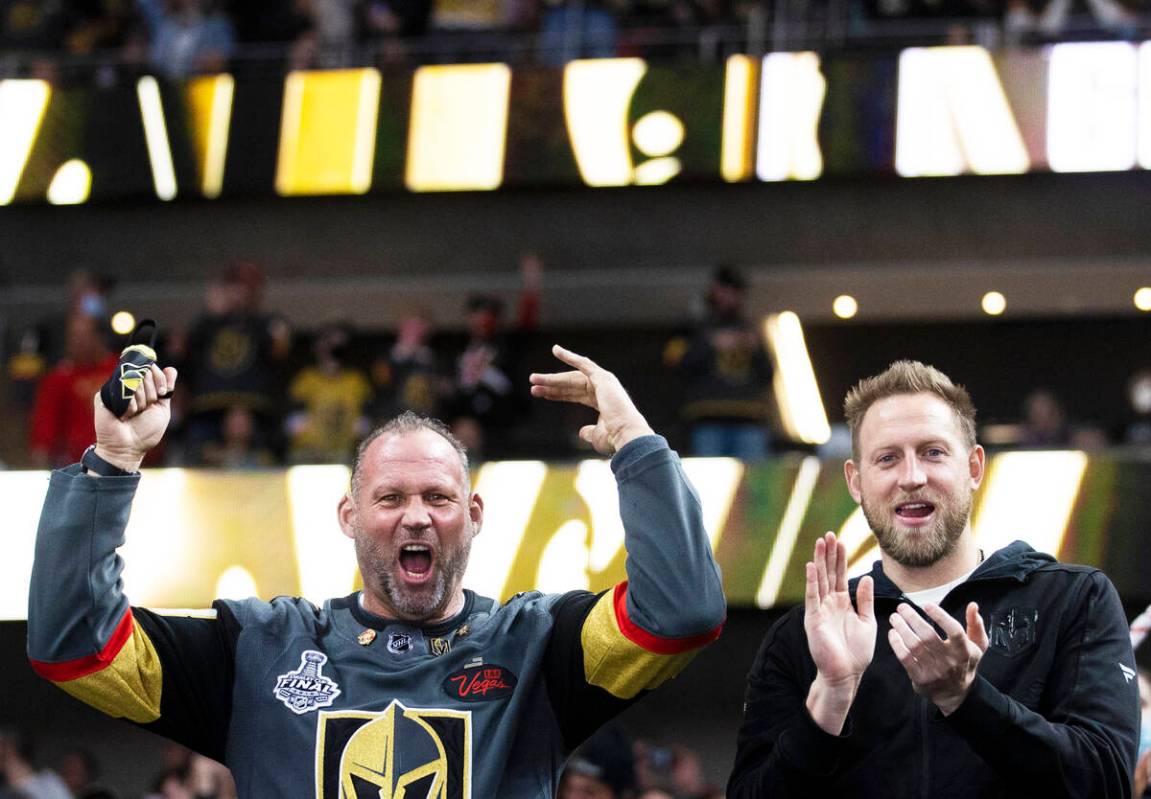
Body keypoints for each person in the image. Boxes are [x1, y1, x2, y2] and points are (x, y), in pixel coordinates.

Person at [27, 345, 725, 797]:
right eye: (389, 497)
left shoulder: (538, 647)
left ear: (474, 513)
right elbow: (73, 645)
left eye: (437, 496)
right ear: (349, 516)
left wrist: (635, 441)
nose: (415, 515)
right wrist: (111, 463)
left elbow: (681, 611)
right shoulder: (258, 648)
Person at [728, 360, 1139, 798]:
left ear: (974, 467)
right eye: (887, 459)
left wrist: (968, 700)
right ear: (855, 481)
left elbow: (1106, 782)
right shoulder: (803, 637)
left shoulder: (1072, 600)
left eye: (933, 452)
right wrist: (830, 697)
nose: (912, 477)